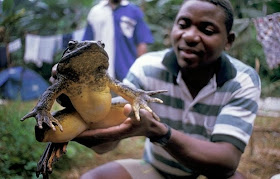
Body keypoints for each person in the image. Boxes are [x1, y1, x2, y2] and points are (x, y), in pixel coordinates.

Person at [72, 0, 261, 178]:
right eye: (183, 25)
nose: (189, 36)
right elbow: (105, 145)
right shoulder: (146, 68)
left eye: (207, 30)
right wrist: (79, 104)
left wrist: (159, 131)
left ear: (228, 40)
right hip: (155, 170)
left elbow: (226, 162)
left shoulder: (242, 80)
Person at [82, 0, 154, 81]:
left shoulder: (133, 11)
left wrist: (139, 73)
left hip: (128, 73)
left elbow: (142, 44)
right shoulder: (95, 12)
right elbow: (86, 46)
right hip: (100, 74)